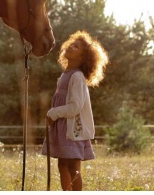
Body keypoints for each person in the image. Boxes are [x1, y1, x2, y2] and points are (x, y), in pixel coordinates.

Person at [41, 30, 109, 191]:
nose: (71, 46)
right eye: (71, 44)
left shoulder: (77, 77)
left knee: (73, 166)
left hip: (72, 128)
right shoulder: (66, 75)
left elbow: (75, 106)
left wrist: (54, 113)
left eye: (76, 46)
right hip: (63, 127)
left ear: (83, 57)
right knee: (62, 164)